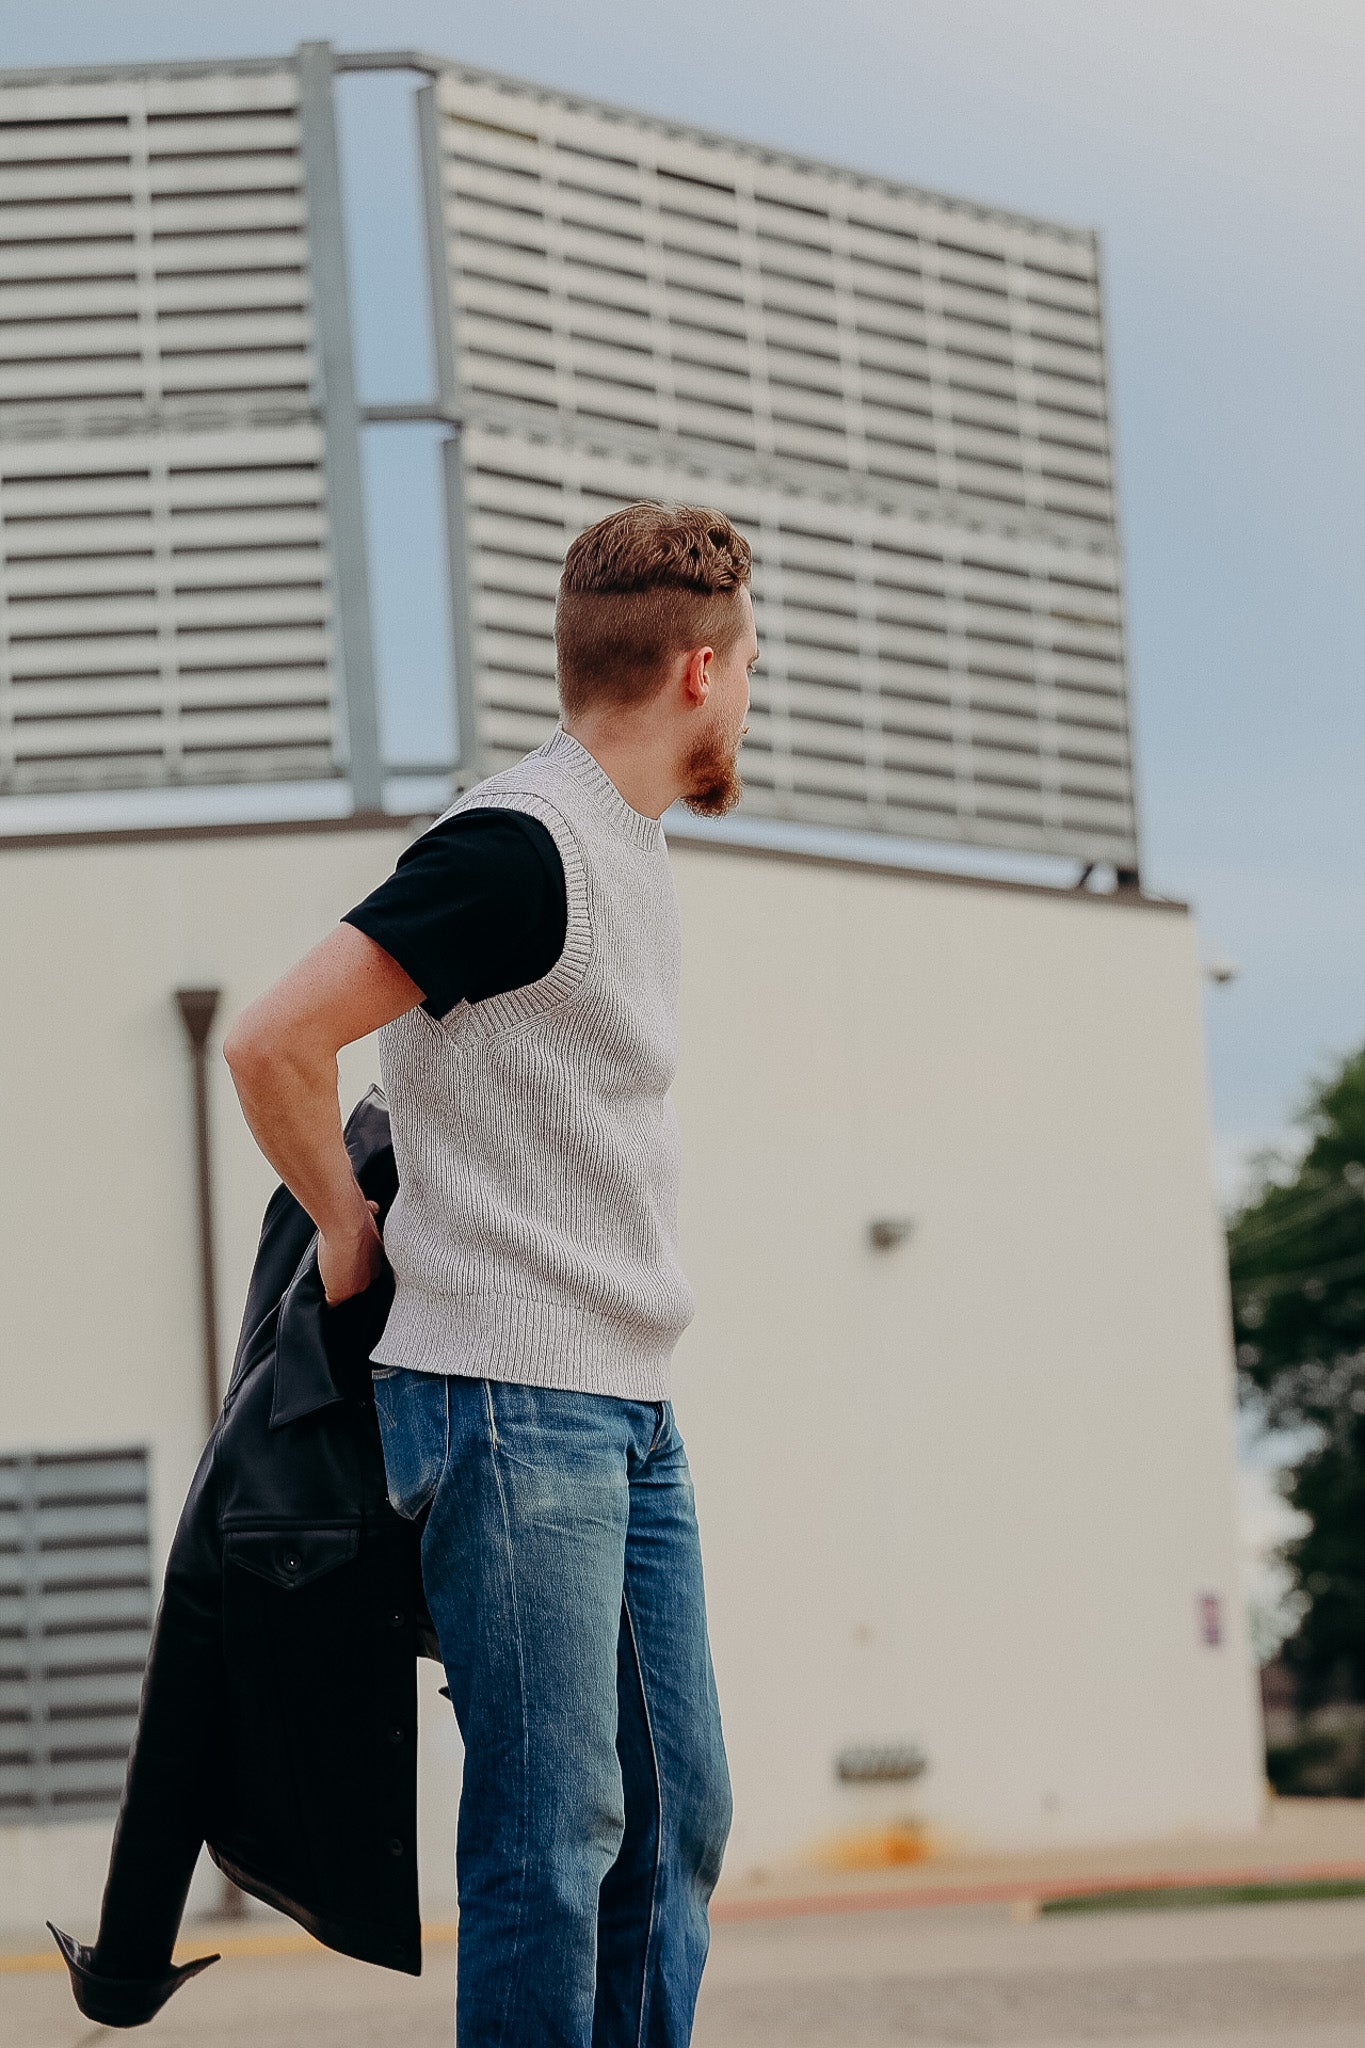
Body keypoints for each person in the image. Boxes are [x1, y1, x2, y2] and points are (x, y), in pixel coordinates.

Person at [223, 501, 756, 2047]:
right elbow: (271, 1041)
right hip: (511, 1403)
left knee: (675, 1818)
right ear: (704, 673)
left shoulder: (616, 844)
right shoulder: (518, 845)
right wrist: (343, 1222)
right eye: (752, 672)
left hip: (623, 1400)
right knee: (552, 1833)